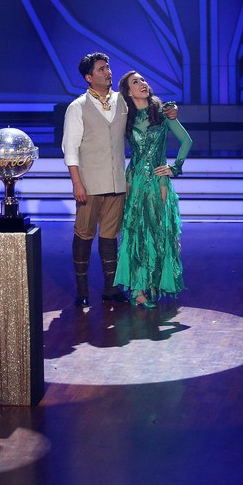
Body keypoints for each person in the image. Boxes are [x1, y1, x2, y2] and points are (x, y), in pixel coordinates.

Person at [62, 53, 179, 308]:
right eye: (102, 69)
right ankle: (82, 289)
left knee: (109, 236)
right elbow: (70, 149)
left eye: (108, 68)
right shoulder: (77, 107)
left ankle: (110, 288)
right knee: (84, 234)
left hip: (117, 183)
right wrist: (77, 183)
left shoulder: (121, 102)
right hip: (90, 183)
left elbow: (147, 106)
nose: (108, 72)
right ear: (89, 77)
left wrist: (171, 110)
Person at [113, 71, 192, 308]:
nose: (142, 84)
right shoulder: (125, 116)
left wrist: (174, 168)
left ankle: (156, 281)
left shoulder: (164, 113)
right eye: (135, 82)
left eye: (143, 80)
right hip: (135, 183)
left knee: (159, 233)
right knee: (136, 234)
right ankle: (138, 288)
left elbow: (187, 141)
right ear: (127, 92)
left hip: (159, 183)